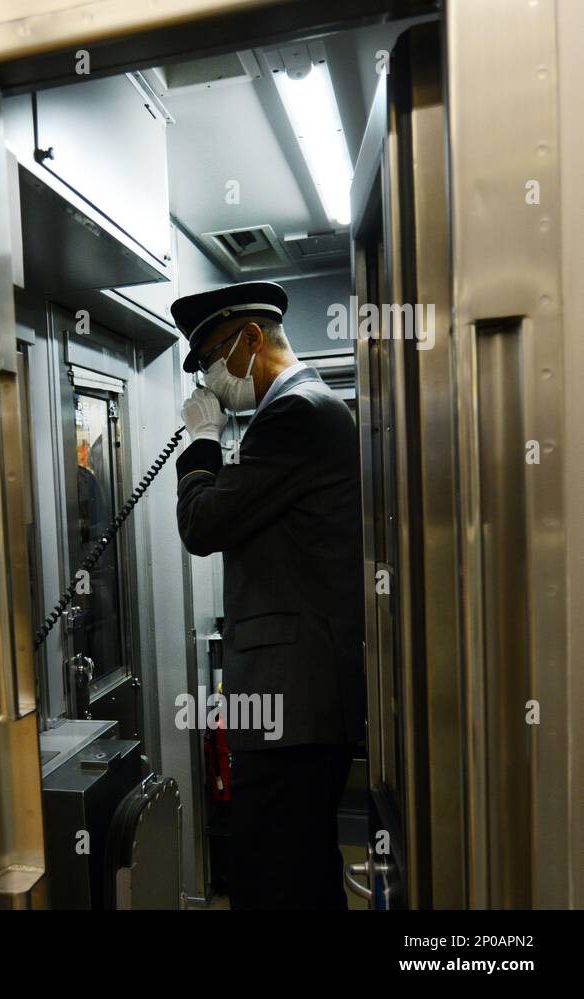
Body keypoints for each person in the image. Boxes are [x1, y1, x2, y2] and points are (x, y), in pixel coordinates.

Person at [171, 280, 366, 910]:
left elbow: (202, 525)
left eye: (211, 362)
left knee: (274, 880)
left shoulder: (296, 412)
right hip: (297, 699)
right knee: (295, 872)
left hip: (295, 702)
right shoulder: (301, 412)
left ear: (251, 339)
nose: (209, 384)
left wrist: (201, 442)